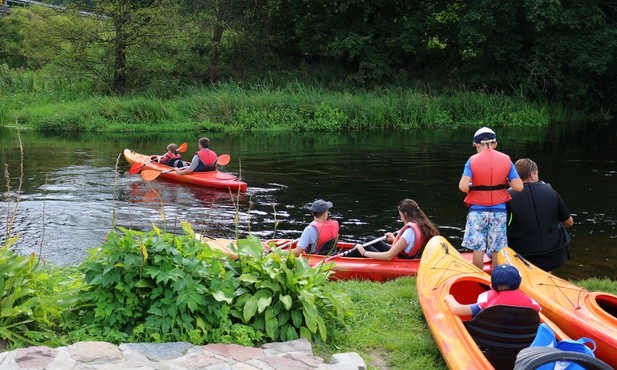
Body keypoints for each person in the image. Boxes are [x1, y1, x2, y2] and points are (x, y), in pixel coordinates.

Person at [458, 127, 524, 269]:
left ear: (476, 145)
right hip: (499, 210)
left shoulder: (472, 160)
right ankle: (496, 279)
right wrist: (504, 182)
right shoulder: (506, 159)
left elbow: (463, 187)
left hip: (477, 210)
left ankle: (478, 277)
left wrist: (474, 185)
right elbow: (519, 187)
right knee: (497, 247)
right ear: (495, 144)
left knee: (478, 246)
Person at [506, 158, 574, 272]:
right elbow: (569, 222)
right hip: (555, 256)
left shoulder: (508, 196)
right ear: (532, 175)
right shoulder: (550, 191)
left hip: (524, 257)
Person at [351, 199, 440, 260]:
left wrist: (363, 252)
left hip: (398, 259)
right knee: (369, 239)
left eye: (400, 214)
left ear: (405, 214)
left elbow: (389, 256)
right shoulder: (421, 224)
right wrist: (394, 239)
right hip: (402, 256)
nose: (400, 217)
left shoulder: (410, 231)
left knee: (359, 246)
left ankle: (345, 261)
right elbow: (408, 244)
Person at [444, 264, 541, 317]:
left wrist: (449, 298)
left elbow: (457, 310)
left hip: (490, 342)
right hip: (520, 342)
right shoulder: (532, 304)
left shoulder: (485, 301)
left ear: (491, 286)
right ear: (519, 285)